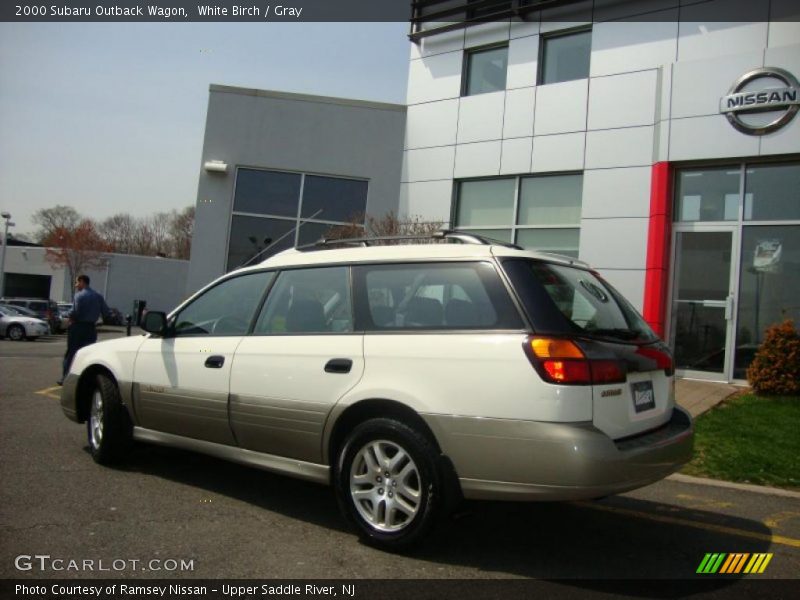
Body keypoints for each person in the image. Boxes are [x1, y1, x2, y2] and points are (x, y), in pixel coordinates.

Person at [59, 274, 110, 385]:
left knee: (72, 353)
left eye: (77, 282)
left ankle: (65, 377)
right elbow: (106, 312)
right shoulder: (98, 296)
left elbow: (75, 312)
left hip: (77, 327)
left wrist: (66, 315)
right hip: (91, 329)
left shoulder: (79, 296)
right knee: (88, 353)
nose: (76, 285)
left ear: (82, 282)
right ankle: (86, 379)